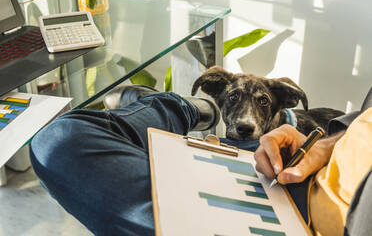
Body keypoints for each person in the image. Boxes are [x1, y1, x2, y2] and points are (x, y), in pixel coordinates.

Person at [30, 85, 372, 236]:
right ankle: (195, 109)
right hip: (294, 170)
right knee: (61, 138)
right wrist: (327, 145)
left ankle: (180, 109)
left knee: (63, 142)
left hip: (322, 224)